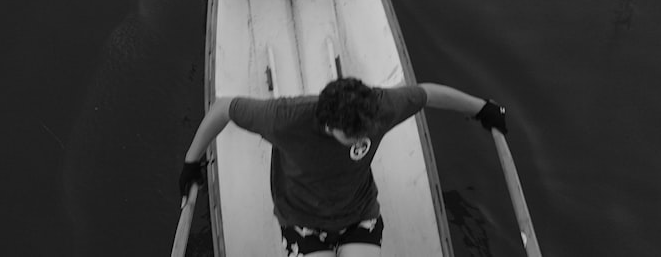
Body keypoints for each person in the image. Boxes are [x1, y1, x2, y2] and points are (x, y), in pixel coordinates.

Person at [178, 77, 508, 257]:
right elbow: (223, 109)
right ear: (326, 124)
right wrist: (192, 162)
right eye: (351, 137)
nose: (361, 140)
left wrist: (483, 109)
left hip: (359, 214)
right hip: (301, 219)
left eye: (365, 132)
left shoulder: (381, 107)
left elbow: (428, 93)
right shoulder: (284, 119)